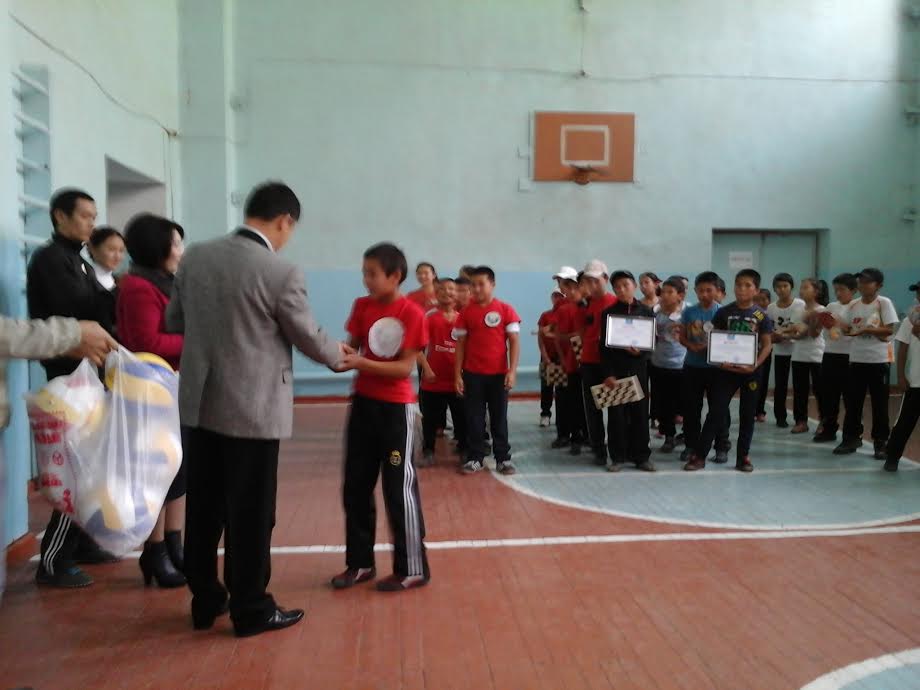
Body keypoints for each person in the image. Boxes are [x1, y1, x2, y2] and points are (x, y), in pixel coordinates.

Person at [166, 182, 348, 637]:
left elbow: (175, 321)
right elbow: (306, 333)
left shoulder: (195, 257)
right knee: (250, 511)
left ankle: (205, 599)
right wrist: (338, 355)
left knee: (204, 506)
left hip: (200, 405)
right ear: (285, 221)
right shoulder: (280, 271)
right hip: (253, 409)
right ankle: (251, 608)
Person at [27, 188, 120, 588]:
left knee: (90, 463)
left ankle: (81, 543)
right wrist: (110, 294)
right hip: (66, 379)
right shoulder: (51, 260)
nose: (91, 224)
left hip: (85, 375)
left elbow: (97, 304)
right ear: (59, 217)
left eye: (94, 216)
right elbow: (78, 307)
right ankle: (53, 559)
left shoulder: (78, 261)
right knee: (74, 469)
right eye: (84, 216)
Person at [333, 242, 431, 592]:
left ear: (395, 276)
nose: (366, 280)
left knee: (397, 487)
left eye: (372, 274)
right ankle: (360, 563)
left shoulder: (412, 313)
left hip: (395, 412)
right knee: (355, 485)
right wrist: (334, 352)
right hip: (363, 406)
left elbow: (404, 368)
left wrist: (360, 362)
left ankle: (412, 567)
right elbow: (351, 347)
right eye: (364, 273)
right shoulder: (362, 306)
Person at [0, 317, 117, 602]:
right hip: (66, 388)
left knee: (86, 475)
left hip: (80, 380)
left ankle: (77, 546)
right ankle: (55, 558)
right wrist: (74, 334)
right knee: (72, 479)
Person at [117, 213, 188, 588]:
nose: (180, 250)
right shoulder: (138, 287)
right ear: (156, 247)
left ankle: (175, 543)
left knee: (179, 469)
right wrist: (196, 343)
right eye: (175, 243)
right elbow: (147, 343)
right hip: (150, 392)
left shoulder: (168, 282)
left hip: (173, 387)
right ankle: (155, 549)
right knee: (158, 471)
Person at [684, 269, 774, 473]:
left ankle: (743, 457)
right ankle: (700, 456)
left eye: (747, 285)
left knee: (747, 414)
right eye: (739, 284)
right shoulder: (724, 312)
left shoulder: (760, 315)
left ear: (756, 289)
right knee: (716, 412)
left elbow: (767, 345)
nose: (742, 289)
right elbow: (714, 339)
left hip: (750, 372)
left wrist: (755, 364)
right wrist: (719, 362)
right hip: (725, 372)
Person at [454, 266, 521, 475]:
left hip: (499, 375)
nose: (476, 288)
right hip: (472, 375)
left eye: (481, 284)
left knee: (499, 417)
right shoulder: (466, 312)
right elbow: (460, 345)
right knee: (474, 417)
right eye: (473, 285)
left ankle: (503, 458)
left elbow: (514, 341)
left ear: (492, 284)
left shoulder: (505, 309)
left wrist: (512, 371)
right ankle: (475, 457)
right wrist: (457, 375)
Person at [833, 268, 900, 459]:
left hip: (879, 360)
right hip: (857, 360)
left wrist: (865, 330)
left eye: (867, 281)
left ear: (878, 285)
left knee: (880, 404)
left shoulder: (883, 303)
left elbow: (889, 330)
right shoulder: (853, 305)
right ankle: (851, 439)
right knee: (853, 402)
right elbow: (849, 330)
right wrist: (840, 326)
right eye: (860, 281)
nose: (862, 285)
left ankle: (881, 442)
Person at [600, 270, 656, 472]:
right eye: (617, 287)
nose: (622, 290)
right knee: (617, 415)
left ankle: (641, 457)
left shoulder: (647, 312)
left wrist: (640, 352)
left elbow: (652, 342)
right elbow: (603, 347)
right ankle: (617, 457)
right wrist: (608, 373)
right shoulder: (608, 313)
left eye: (626, 285)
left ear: (634, 286)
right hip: (616, 371)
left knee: (640, 414)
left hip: (638, 370)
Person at [678, 272, 731, 465]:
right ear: (695, 291)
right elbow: (682, 336)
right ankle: (691, 445)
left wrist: (712, 348)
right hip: (692, 367)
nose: (705, 294)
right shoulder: (689, 312)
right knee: (691, 408)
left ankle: (721, 446)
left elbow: (729, 340)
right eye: (701, 290)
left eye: (709, 290)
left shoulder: (723, 312)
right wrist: (691, 346)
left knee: (719, 409)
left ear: (717, 291)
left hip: (718, 369)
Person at [418, 277, 467, 465]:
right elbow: (416, 348)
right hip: (433, 381)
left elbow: (468, 348)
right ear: (436, 294)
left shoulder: (463, 319)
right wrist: (427, 369)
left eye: (451, 289)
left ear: (457, 293)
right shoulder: (429, 318)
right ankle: (428, 452)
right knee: (430, 420)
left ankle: (464, 451)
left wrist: (463, 374)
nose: (447, 292)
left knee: (461, 418)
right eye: (442, 289)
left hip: (456, 381)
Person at [580, 260, 618, 465]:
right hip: (588, 362)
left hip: (609, 364)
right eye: (589, 281)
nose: (592, 285)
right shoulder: (586, 305)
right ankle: (598, 449)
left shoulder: (614, 303)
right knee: (592, 409)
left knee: (614, 408)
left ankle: (616, 448)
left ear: (605, 279)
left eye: (596, 281)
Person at [814, 274, 857, 443]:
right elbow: (825, 327)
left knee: (851, 398)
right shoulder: (831, 306)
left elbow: (855, 330)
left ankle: (853, 434)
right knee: (829, 396)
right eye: (836, 290)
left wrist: (840, 324)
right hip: (830, 355)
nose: (838, 293)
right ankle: (829, 429)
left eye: (842, 290)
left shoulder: (857, 307)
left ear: (853, 290)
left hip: (850, 357)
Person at [884, 280, 920, 471]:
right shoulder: (909, 321)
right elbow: (902, 349)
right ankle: (892, 456)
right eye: (918, 293)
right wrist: (900, 376)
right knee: (905, 422)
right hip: (915, 381)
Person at [553, 274, 588, 454]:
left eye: (576, 288)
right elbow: (559, 338)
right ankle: (574, 438)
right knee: (572, 402)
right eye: (569, 289)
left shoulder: (589, 308)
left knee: (589, 402)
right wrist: (563, 360)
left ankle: (590, 436)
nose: (573, 292)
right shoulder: (564, 310)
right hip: (572, 363)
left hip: (591, 363)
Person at [651, 278, 687, 453]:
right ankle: (669, 436)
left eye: (670, 292)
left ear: (680, 295)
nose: (665, 295)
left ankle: (688, 436)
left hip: (682, 365)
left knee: (685, 403)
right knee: (664, 404)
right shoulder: (655, 312)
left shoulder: (687, 313)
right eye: (663, 292)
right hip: (659, 364)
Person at [789, 278, 828, 434]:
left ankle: (824, 422)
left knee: (820, 390)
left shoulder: (823, 310)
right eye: (801, 287)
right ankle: (801, 422)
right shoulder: (797, 309)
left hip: (817, 355)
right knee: (799, 391)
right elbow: (794, 330)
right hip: (798, 355)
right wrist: (795, 333)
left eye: (806, 287)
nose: (802, 290)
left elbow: (814, 333)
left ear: (816, 291)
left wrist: (804, 328)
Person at [767, 273, 805, 428]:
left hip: (798, 351)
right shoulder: (771, 307)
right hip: (780, 351)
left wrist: (783, 334)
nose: (782, 289)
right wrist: (773, 337)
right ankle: (780, 417)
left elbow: (798, 327)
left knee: (799, 386)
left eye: (785, 286)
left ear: (791, 287)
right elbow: (769, 329)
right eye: (778, 286)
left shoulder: (799, 304)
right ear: (774, 289)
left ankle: (800, 419)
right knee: (780, 385)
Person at [537, 290, 565, 428]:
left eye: (560, 296)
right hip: (547, 357)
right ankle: (545, 414)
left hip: (562, 358)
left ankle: (562, 419)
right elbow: (540, 337)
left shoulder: (566, 314)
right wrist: (545, 357)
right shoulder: (546, 315)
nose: (557, 298)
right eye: (555, 296)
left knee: (561, 389)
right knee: (546, 387)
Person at [85, 226, 125, 292]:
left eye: (121, 251)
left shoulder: (119, 283)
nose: (117, 256)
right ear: (93, 249)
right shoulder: (84, 281)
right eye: (111, 249)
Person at [754, 288, 772, 422]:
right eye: (757, 300)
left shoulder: (769, 314)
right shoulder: (754, 313)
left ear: (769, 301)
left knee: (763, 382)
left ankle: (760, 411)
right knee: (751, 383)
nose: (760, 302)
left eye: (764, 299)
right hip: (750, 352)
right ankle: (751, 410)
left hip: (765, 352)